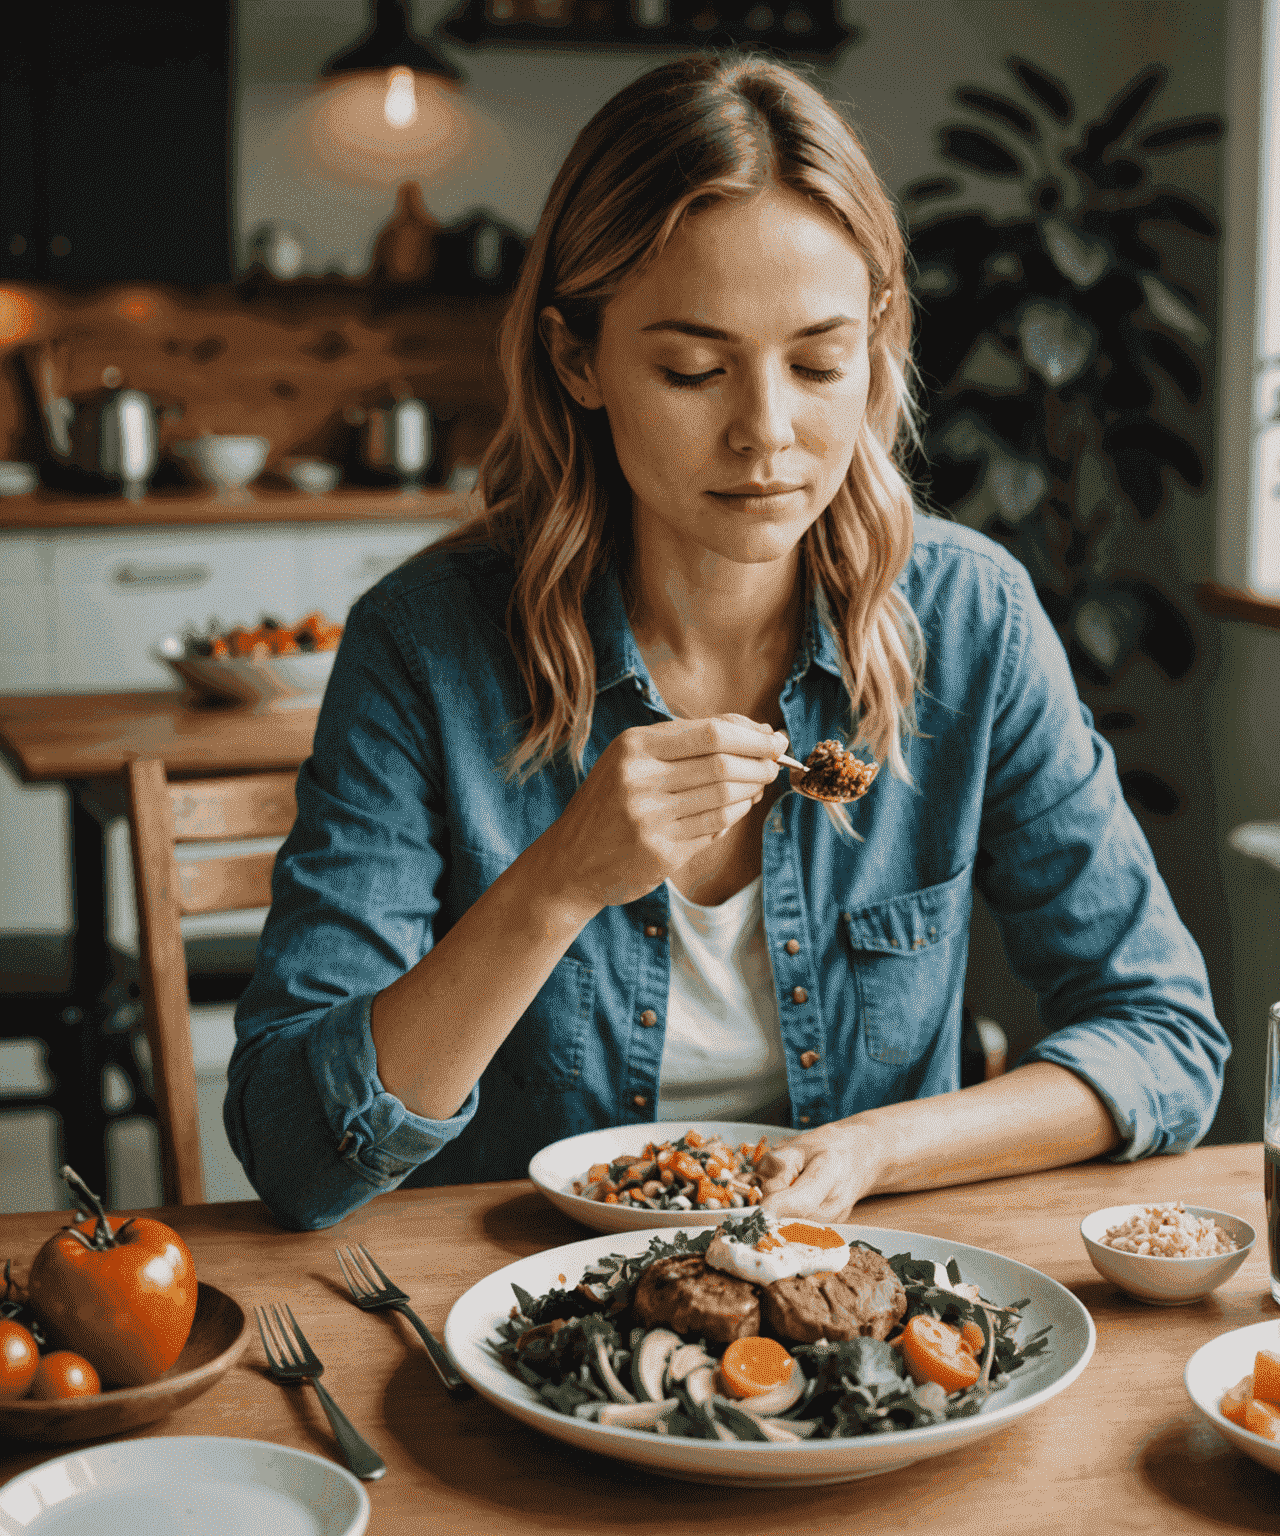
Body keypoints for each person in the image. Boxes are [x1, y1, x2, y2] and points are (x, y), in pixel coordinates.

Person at [225, 53, 1228, 1232]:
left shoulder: (973, 620)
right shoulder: (424, 647)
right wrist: (556, 885)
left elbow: (1164, 1038)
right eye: (694, 368)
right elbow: (296, 1151)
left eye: (816, 362)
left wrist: (871, 1151)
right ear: (576, 359)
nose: (767, 432)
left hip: (861, 1305)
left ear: (877, 344)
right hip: (512, 1311)